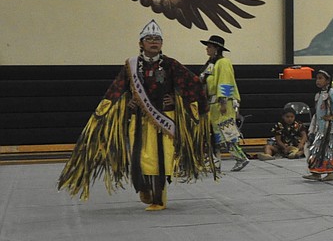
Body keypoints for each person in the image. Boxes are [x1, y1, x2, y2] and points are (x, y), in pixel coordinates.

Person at [59, 20, 216, 210]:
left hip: (165, 120)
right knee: (141, 159)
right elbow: (115, 92)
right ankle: (144, 188)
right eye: (149, 39)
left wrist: (177, 101)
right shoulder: (131, 66)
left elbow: (193, 86)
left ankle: (159, 198)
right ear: (141, 43)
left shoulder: (170, 65)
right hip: (140, 120)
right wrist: (127, 103)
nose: (154, 42)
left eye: (157, 39)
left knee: (161, 160)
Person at [199, 34, 248, 172]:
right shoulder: (211, 64)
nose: (206, 49)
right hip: (212, 104)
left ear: (216, 48)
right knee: (213, 134)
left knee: (226, 133)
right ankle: (215, 163)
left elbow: (225, 81)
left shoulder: (223, 62)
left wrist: (223, 101)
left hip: (222, 104)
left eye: (209, 46)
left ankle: (241, 157)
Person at [304, 69, 333, 182]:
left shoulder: (331, 92)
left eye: (321, 78)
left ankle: (330, 173)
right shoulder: (320, 94)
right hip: (320, 126)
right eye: (317, 78)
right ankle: (316, 173)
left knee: (327, 150)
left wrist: (332, 116)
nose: (318, 81)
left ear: (328, 80)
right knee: (316, 149)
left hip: (329, 127)